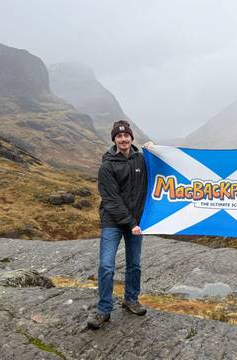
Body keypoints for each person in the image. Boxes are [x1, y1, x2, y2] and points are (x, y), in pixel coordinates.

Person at [87, 120, 148, 329]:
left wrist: (154, 151)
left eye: (126, 136)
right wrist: (131, 222)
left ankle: (131, 300)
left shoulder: (141, 160)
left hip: (136, 223)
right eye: (119, 136)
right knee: (106, 266)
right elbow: (111, 200)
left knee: (135, 264)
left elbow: (162, 172)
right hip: (113, 222)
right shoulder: (107, 166)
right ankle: (104, 310)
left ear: (131, 138)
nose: (123, 139)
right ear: (114, 139)